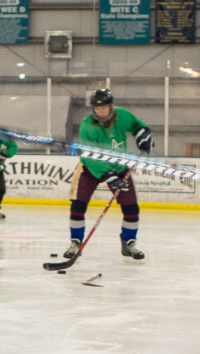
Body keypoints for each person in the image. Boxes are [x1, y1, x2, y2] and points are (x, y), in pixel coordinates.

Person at [65, 89, 153, 260]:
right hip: (91, 168)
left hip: (120, 168)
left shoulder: (122, 115)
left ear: (111, 107)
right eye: (98, 109)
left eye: (105, 108)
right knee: (78, 204)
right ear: (93, 109)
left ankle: (129, 243)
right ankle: (75, 243)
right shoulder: (87, 126)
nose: (101, 112)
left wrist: (143, 134)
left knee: (131, 208)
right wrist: (108, 174)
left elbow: (137, 125)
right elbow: (90, 155)